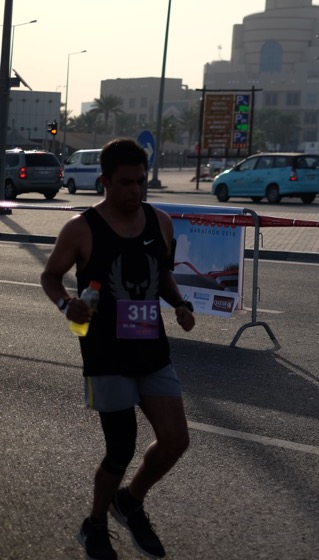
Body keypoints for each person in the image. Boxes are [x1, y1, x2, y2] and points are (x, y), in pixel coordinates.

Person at [41, 138, 196, 560]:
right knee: (121, 447)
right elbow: (50, 276)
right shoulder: (81, 229)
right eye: (125, 183)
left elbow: (161, 275)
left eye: (141, 182)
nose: (135, 191)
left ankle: (128, 501)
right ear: (104, 181)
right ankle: (94, 524)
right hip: (105, 354)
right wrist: (64, 304)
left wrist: (179, 304)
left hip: (152, 348)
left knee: (175, 440)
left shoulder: (160, 222)